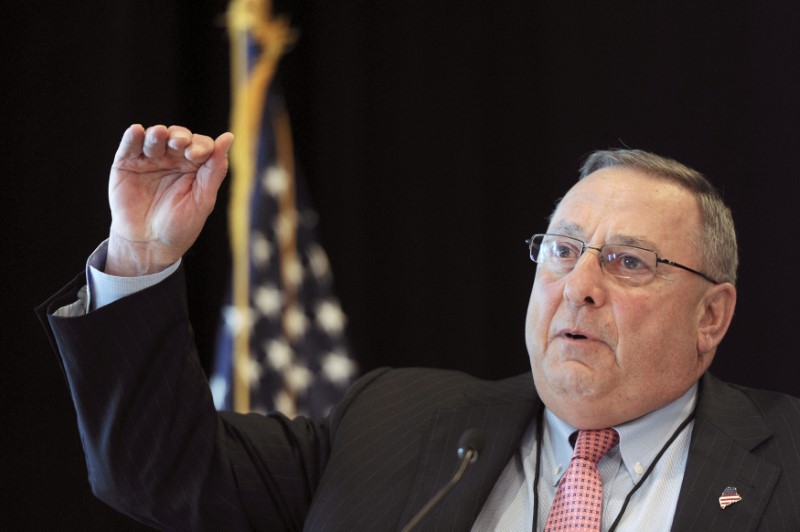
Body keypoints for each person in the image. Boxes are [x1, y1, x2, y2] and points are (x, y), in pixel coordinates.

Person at [38, 124, 800, 531]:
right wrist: (140, 255)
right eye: (563, 250)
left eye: (629, 263)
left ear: (712, 316)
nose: (580, 286)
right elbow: (155, 473)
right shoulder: (393, 427)